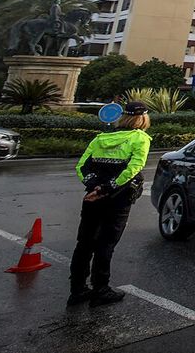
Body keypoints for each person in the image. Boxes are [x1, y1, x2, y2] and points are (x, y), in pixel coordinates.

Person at [68, 100, 151, 307]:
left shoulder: (101, 138)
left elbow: (81, 167)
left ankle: (77, 289)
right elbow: (133, 168)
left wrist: (95, 187)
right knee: (106, 244)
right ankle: (100, 289)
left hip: (92, 198)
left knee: (84, 243)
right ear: (143, 118)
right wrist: (108, 188)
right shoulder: (140, 138)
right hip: (118, 199)